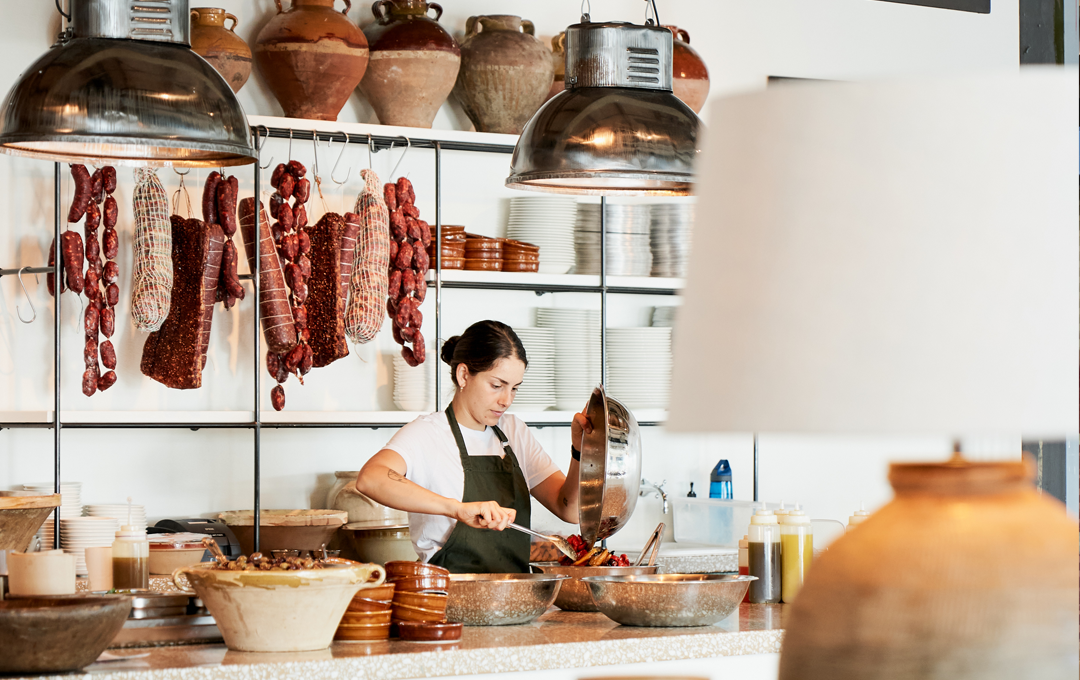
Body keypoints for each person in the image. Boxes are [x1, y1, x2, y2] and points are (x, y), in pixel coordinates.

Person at [356, 320, 590, 573]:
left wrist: (580, 450)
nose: (506, 400)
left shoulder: (514, 432)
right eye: (497, 385)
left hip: (515, 597)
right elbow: (370, 478)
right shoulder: (429, 433)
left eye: (514, 389)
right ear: (464, 375)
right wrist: (457, 509)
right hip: (449, 595)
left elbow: (570, 510)